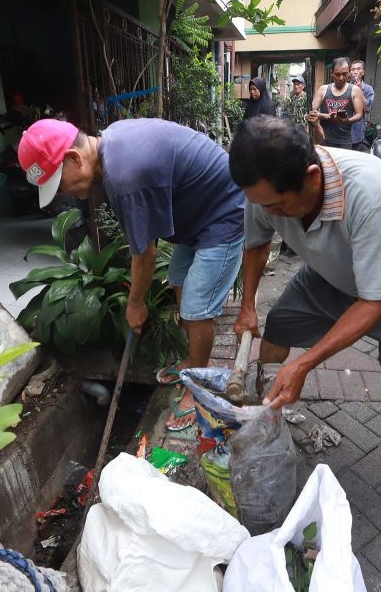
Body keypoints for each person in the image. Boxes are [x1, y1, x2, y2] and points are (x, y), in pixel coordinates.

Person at [229, 115, 381, 537]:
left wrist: (305, 364)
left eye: (274, 206)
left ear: (311, 178)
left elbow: (378, 299)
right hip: (332, 271)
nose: (267, 212)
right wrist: (247, 306)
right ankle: (262, 407)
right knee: (279, 325)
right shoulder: (263, 191)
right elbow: (256, 243)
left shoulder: (371, 194)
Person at [18, 118, 245, 431]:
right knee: (178, 281)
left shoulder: (124, 177)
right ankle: (192, 363)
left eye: (59, 183)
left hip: (224, 213)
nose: (63, 192)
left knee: (196, 310)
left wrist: (135, 304)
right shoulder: (112, 145)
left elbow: (145, 253)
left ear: (74, 158)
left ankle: (199, 387)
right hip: (197, 216)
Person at [312, 57, 365, 149]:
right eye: (337, 74)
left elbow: (359, 114)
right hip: (323, 140)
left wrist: (347, 120)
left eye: (344, 74)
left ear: (349, 72)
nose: (341, 78)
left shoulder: (355, 90)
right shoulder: (323, 89)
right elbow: (312, 112)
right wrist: (326, 116)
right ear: (332, 73)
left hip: (344, 141)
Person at [349, 60, 375, 152]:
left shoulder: (368, 89)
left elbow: (366, 109)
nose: (355, 72)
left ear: (363, 72)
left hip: (356, 130)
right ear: (350, 72)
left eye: (358, 69)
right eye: (353, 69)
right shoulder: (346, 87)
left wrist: (360, 90)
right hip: (342, 129)